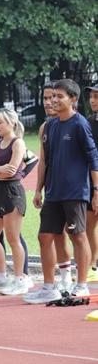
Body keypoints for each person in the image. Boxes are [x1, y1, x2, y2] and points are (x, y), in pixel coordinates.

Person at [29, 79, 98, 304]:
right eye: (52, 96)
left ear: (73, 99)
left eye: (59, 96)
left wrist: (96, 191)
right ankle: (49, 287)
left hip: (75, 192)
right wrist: (38, 189)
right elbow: (45, 160)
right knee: (44, 236)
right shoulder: (50, 126)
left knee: (78, 236)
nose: (54, 100)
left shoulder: (80, 124)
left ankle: (81, 285)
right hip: (53, 192)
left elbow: (93, 158)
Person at [0, 109, 31, 295]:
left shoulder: (18, 143)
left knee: (13, 238)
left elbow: (12, 171)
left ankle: (20, 279)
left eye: (0, 122)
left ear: (12, 123)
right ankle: (1, 276)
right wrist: (0, 169)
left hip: (13, 192)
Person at [86, 83, 98, 281]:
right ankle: (93, 265)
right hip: (90, 180)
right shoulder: (87, 122)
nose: (93, 101)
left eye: (97, 96)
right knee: (89, 224)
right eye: (91, 97)